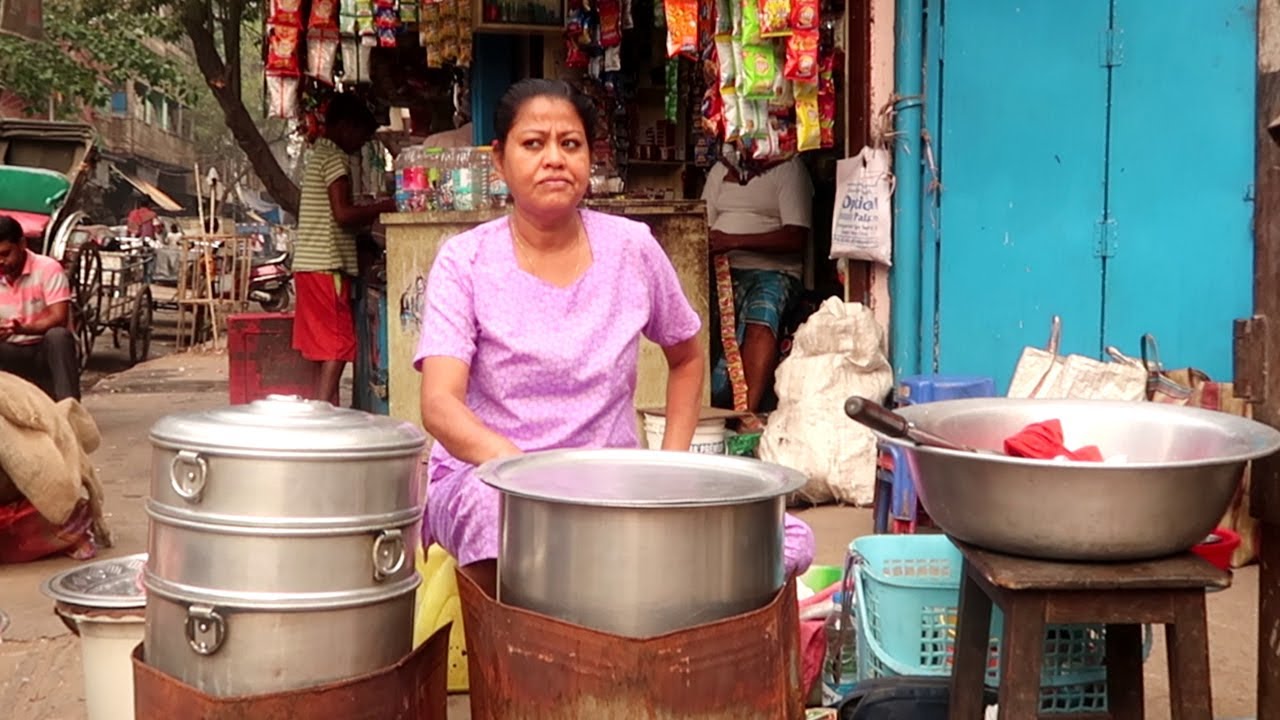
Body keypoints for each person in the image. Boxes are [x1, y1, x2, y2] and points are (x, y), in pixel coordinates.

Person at [415, 79, 815, 595]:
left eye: (571, 144)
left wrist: (669, 465)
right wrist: (516, 471)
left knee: (781, 535)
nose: (554, 159)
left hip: (609, 481)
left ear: (589, 157)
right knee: (504, 522)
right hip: (493, 479)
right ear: (499, 160)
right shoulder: (465, 260)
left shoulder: (631, 247)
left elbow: (688, 359)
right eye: (534, 144)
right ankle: (519, 656)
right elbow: (440, 405)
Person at [292, 93, 397, 406]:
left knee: (324, 347)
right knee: (337, 345)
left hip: (311, 266)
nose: (361, 145)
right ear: (346, 127)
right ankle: (323, 415)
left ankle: (324, 407)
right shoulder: (335, 158)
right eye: (362, 138)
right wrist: (386, 205)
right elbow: (343, 213)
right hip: (326, 266)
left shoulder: (319, 154)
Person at [702, 154, 814, 415]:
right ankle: (706, 404)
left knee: (761, 316)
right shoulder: (722, 169)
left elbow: (795, 237)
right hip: (724, 268)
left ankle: (745, 414)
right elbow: (703, 222)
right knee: (697, 314)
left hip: (774, 271)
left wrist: (734, 241)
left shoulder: (789, 169)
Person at [0, 216, 79, 401]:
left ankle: (69, 408)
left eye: (5, 254)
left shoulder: (47, 268)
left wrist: (21, 328)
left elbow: (59, 317)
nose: (0, 261)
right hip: (11, 350)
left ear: (21, 244)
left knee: (58, 336)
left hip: (44, 350)